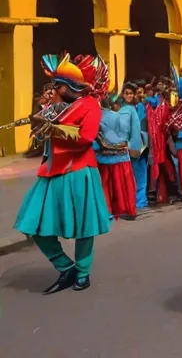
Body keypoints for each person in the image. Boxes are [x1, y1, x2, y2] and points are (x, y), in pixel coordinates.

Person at [14, 53, 113, 293]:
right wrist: (39, 120)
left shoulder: (90, 106)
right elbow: (42, 136)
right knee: (31, 223)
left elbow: (85, 138)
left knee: (83, 227)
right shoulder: (59, 107)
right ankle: (65, 266)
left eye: (59, 84)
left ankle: (82, 272)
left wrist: (50, 126)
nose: (55, 88)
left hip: (78, 171)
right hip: (51, 171)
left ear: (73, 87)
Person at [95, 95, 141, 220]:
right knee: (125, 184)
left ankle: (107, 209)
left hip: (103, 156)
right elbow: (135, 131)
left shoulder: (96, 116)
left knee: (105, 184)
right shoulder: (127, 112)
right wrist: (133, 148)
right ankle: (129, 209)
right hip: (122, 155)